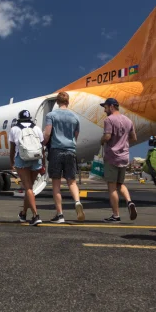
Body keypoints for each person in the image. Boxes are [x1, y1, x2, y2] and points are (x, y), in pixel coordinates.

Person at [43, 91, 85, 223]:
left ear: (57, 102)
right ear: (68, 102)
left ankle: (60, 214)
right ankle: (77, 202)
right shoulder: (75, 117)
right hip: (70, 150)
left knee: (56, 184)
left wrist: (43, 143)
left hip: (56, 151)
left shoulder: (51, 115)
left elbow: (48, 133)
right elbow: (76, 135)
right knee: (71, 181)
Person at [100, 98, 138, 222]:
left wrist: (102, 141)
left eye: (105, 107)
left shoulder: (109, 120)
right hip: (124, 156)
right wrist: (123, 142)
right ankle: (130, 202)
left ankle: (116, 215)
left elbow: (107, 136)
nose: (104, 110)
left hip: (112, 156)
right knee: (120, 184)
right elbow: (134, 138)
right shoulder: (128, 120)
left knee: (112, 187)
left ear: (111, 107)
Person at [10, 109, 45, 226]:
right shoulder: (37, 128)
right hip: (36, 158)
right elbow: (42, 147)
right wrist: (43, 164)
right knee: (30, 188)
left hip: (22, 158)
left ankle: (35, 215)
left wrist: (12, 162)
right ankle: (23, 213)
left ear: (19, 119)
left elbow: (12, 148)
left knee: (28, 188)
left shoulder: (14, 129)